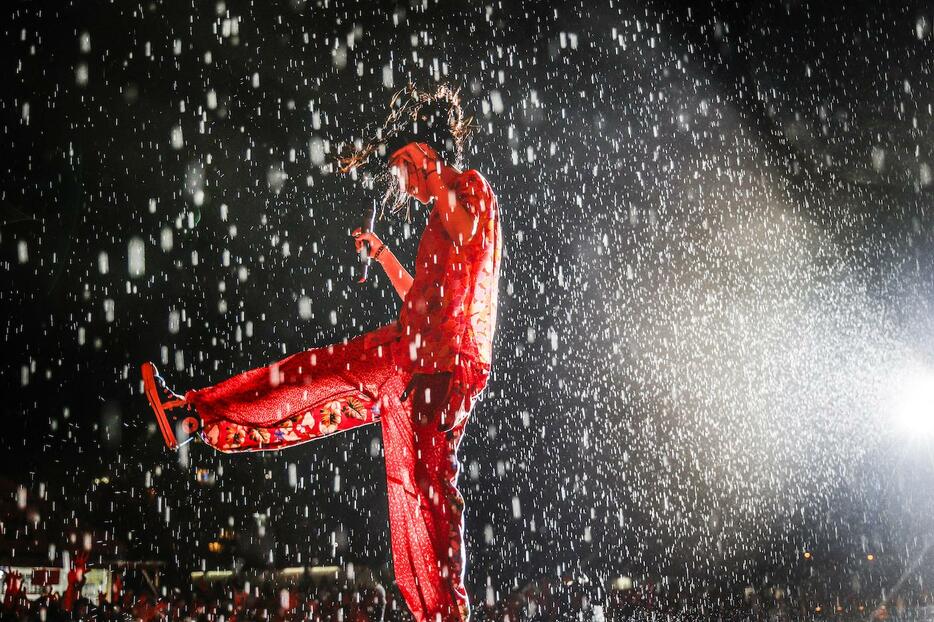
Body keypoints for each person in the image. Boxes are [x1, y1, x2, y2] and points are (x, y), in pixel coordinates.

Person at [141, 90, 501, 621]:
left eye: (404, 166)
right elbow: (419, 297)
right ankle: (196, 414)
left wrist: (432, 165)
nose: (402, 182)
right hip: (412, 350)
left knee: (426, 485)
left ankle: (447, 613)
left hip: (445, 366)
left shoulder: (469, 189)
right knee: (316, 375)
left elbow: (470, 236)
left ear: (425, 153)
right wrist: (381, 254)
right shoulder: (438, 216)